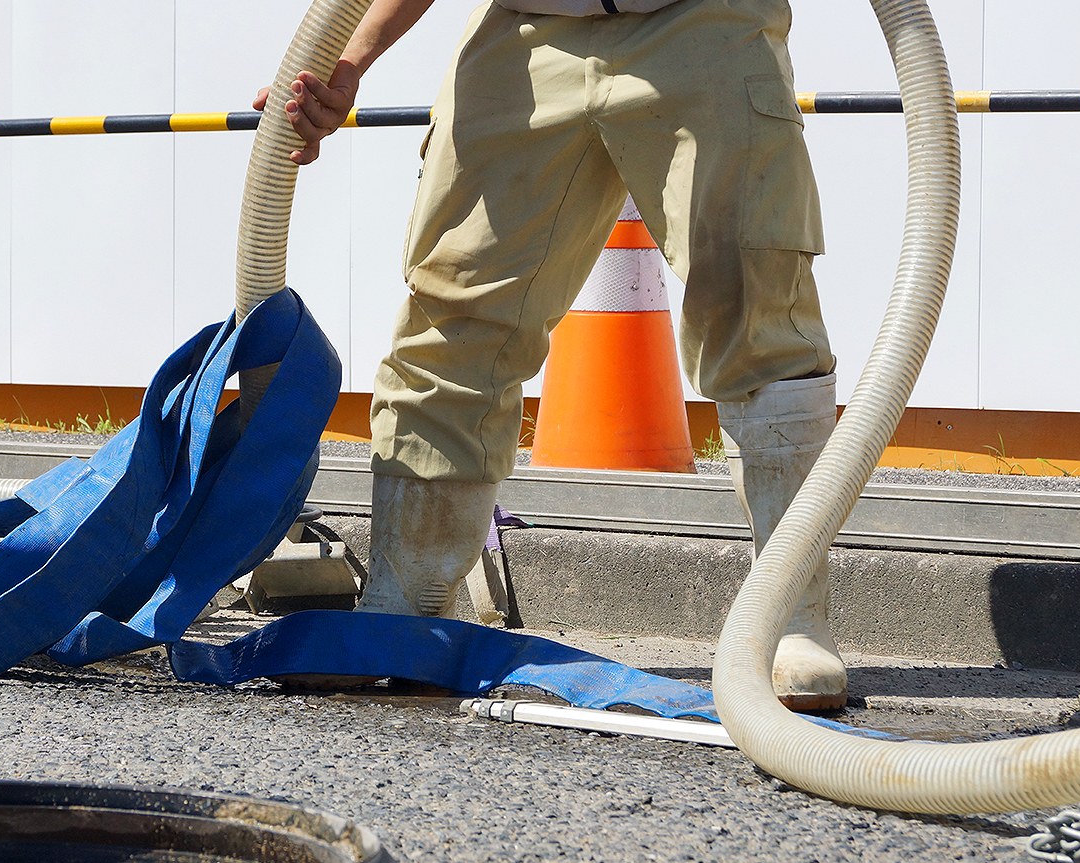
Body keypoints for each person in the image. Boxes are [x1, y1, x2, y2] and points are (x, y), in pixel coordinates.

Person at [255, 0, 844, 711]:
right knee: (456, 306)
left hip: (700, 17)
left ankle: (788, 618)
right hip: (526, 25)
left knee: (758, 301)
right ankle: (408, 601)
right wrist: (345, 61)